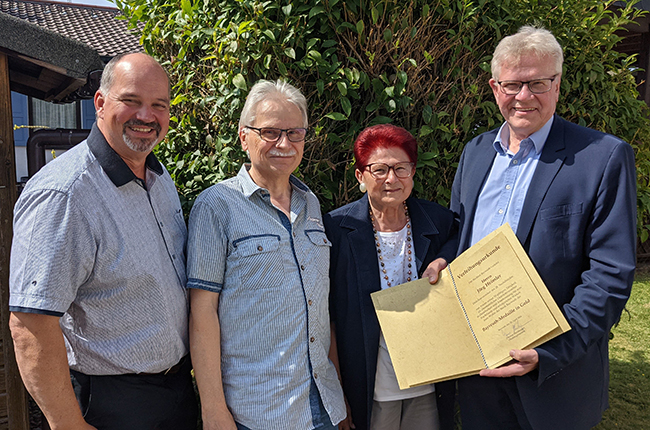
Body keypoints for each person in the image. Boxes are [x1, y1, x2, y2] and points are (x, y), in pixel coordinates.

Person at [451, 26, 636, 430]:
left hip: (556, 378)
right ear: (495, 87)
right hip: (479, 372)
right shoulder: (476, 152)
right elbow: (459, 238)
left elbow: (611, 274)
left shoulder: (602, 157)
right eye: (513, 84)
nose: (524, 96)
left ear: (557, 84)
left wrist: (550, 350)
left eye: (538, 83)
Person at [9, 52, 198, 430]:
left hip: (174, 392)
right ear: (100, 102)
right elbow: (30, 323)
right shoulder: (65, 194)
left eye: (158, 105)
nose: (146, 116)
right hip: (112, 405)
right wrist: (68, 424)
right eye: (131, 101)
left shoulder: (160, 181)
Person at [187, 79, 346, 430]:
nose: (285, 144)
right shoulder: (216, 206)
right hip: (257, 413)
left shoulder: (312, 205)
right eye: (270, 132)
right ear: (244, 137)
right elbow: (202, 313)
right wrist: (213, 410)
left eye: (295, 133)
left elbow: (322, 307)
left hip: (322, 405)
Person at [324, 124, 458, 430]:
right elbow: (327, 315)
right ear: (360, 176)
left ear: (413, 172)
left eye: (401, 168)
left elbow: (462, 245)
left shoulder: (438, 220)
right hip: (372, 386)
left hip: (430, 380)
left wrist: (443, 259)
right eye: (380, 169)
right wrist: (337, 392)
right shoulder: (337, 229)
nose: (391, 179)